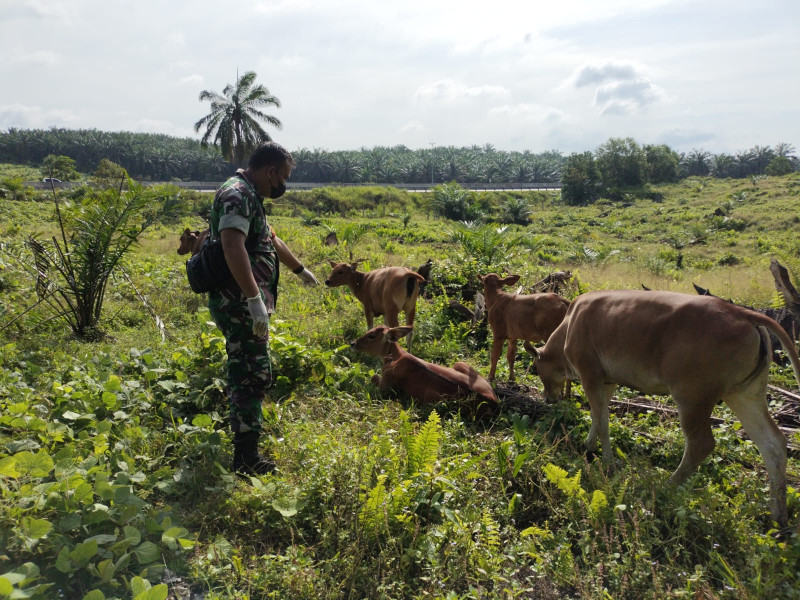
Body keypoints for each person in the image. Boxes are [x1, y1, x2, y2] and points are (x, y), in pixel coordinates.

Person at [208, 141, 319, 476]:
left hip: (246, 303)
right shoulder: (237, 194)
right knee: (249, 375)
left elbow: (271, 240)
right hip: (240, 304)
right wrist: (254, 299)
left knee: (251, 370)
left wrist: (301, 271)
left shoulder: (251, 195)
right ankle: (245, 458)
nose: (282, 185)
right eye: (282, 177)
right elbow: (231, 244)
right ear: (269, 171)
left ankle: (247, 446)